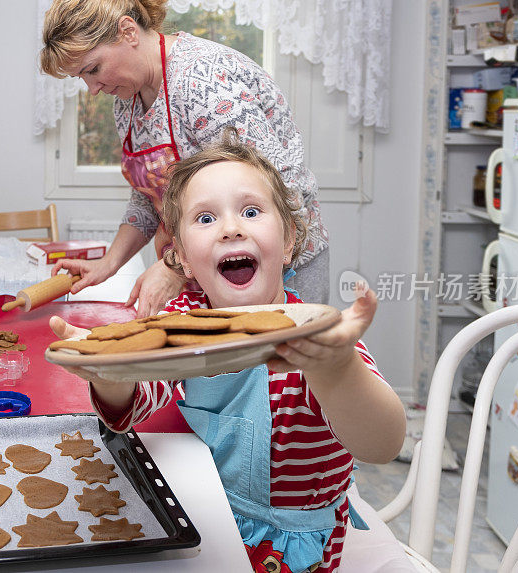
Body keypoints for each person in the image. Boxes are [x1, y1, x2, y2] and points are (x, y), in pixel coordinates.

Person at [50, 131, 406, 572]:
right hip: (207, 516)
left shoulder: (315, 338)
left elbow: (382, 443)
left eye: (251, 211)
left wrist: (336, 371)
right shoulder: (187, 320)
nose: (231, 227)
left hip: (291, 547)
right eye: (205, 218)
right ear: (179, 256)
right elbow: (139, 397)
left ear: (290, 238)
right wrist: (108, 373)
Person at [40, 0, 330, 317]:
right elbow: (149, 195)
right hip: (209, 269)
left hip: (276, 268)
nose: (92, 88)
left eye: (93, 69)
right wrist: (108, 263)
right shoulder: (127, 99)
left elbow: (272, 192)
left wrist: (173, 268)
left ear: (128, 32)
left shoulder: (201, 80)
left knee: (283, 365)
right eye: (81, 77)